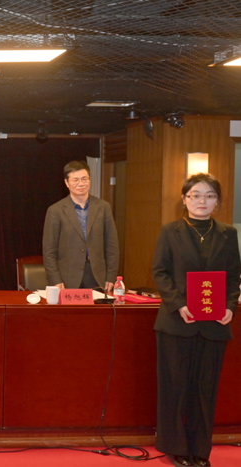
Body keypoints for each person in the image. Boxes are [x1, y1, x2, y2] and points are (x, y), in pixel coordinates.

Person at [152, 173, 240, 467]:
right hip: (177, 323)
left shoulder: (228, 234)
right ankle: (175, 447)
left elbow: (233, 277)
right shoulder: (170, 231)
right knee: (175, 387)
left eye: (210, 195)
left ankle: (200, 450)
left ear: (217, 202)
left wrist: (230, 306)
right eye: (196, 195)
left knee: (205, 390)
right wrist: (178, 304)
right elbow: (160, 272)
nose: (202, 201)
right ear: (184, 199)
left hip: (215, 325)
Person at [42, 160, 119, 291]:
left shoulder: (103, 207)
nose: (81, 183)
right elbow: (49, 251)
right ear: (67, 183)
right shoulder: (55, 210)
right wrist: (55, 280)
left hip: (97, 277)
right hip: (67, 278)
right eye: (75, 180)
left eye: (84, 179)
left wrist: (111, 276)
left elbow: (112, 246)